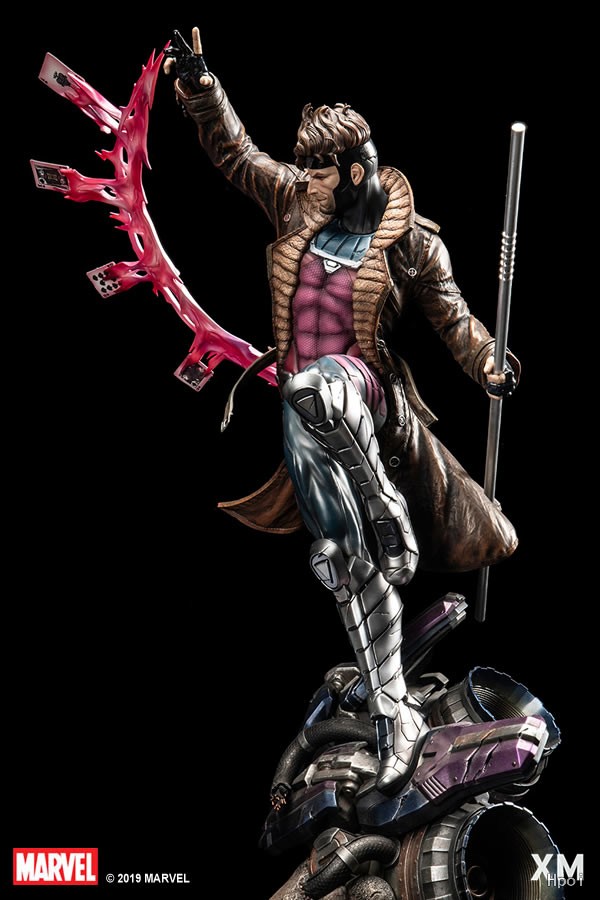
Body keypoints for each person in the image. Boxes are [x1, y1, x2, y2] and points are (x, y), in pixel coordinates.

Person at [165, 28, 518, 795]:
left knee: (319, 387)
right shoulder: (299, 200)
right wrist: (201, 86)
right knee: (340, 562)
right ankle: (396, 718)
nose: (307, 185)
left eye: (322, 174)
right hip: (308, 424)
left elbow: (453, 317)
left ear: (354, 171)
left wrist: (488, 360)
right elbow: (237, 154)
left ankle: (385, 500)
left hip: (369, 401)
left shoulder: (409, 241)